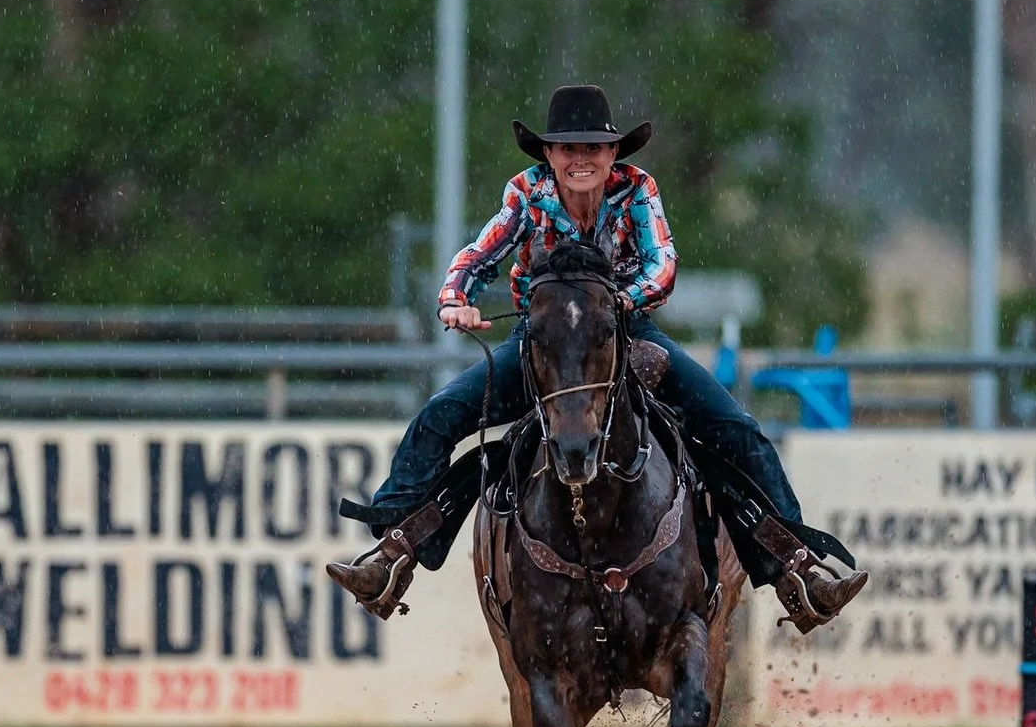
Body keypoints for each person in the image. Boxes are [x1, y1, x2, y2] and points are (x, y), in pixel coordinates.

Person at [327, 84, 867, 628]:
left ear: (613, 155)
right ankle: (391, 554)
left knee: (735, 429)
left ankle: (796, 570)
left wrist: (613, 308)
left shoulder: (637, 191)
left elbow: (663, 266)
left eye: (592, 148)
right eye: (567, 148)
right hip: (545, 340)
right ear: (549, 156)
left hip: (628, 334)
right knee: (442, 414)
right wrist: (454, 301)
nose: (580, 159)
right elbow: (477, 254)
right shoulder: (525, 193)